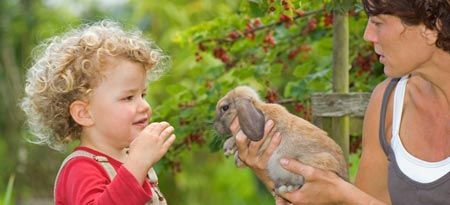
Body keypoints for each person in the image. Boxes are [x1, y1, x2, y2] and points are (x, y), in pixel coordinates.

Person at [230, 0, 450, 204]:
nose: (368, 35)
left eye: (377, 22)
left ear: (431, 27)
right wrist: (276, 175)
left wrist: (343, 193)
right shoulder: (389, 103)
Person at [21, 20, 176, 205]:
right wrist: (137, 163)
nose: (145, 106)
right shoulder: (80, 168)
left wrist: (137, 162)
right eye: (128, 97)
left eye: (143, 94)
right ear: (84, 113)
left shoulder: (130, 159)